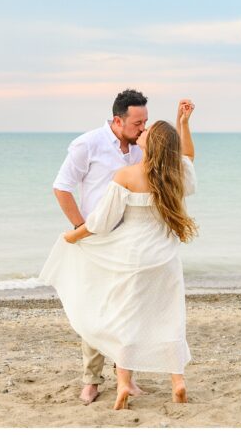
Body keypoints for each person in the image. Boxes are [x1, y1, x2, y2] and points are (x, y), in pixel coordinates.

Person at [43, 96, 197, 409]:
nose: (142, 130)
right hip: (161, 257)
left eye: (145, 127)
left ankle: (124, 383)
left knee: (118, 315)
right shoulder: (176, 173)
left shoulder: (128, 174)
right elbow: (187, 156)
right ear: (118, 120)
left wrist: (75, 235)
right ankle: (172, 380)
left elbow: (102, 221)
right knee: (167, 319)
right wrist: (182, 124)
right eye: (138, 124)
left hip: (124, 250)